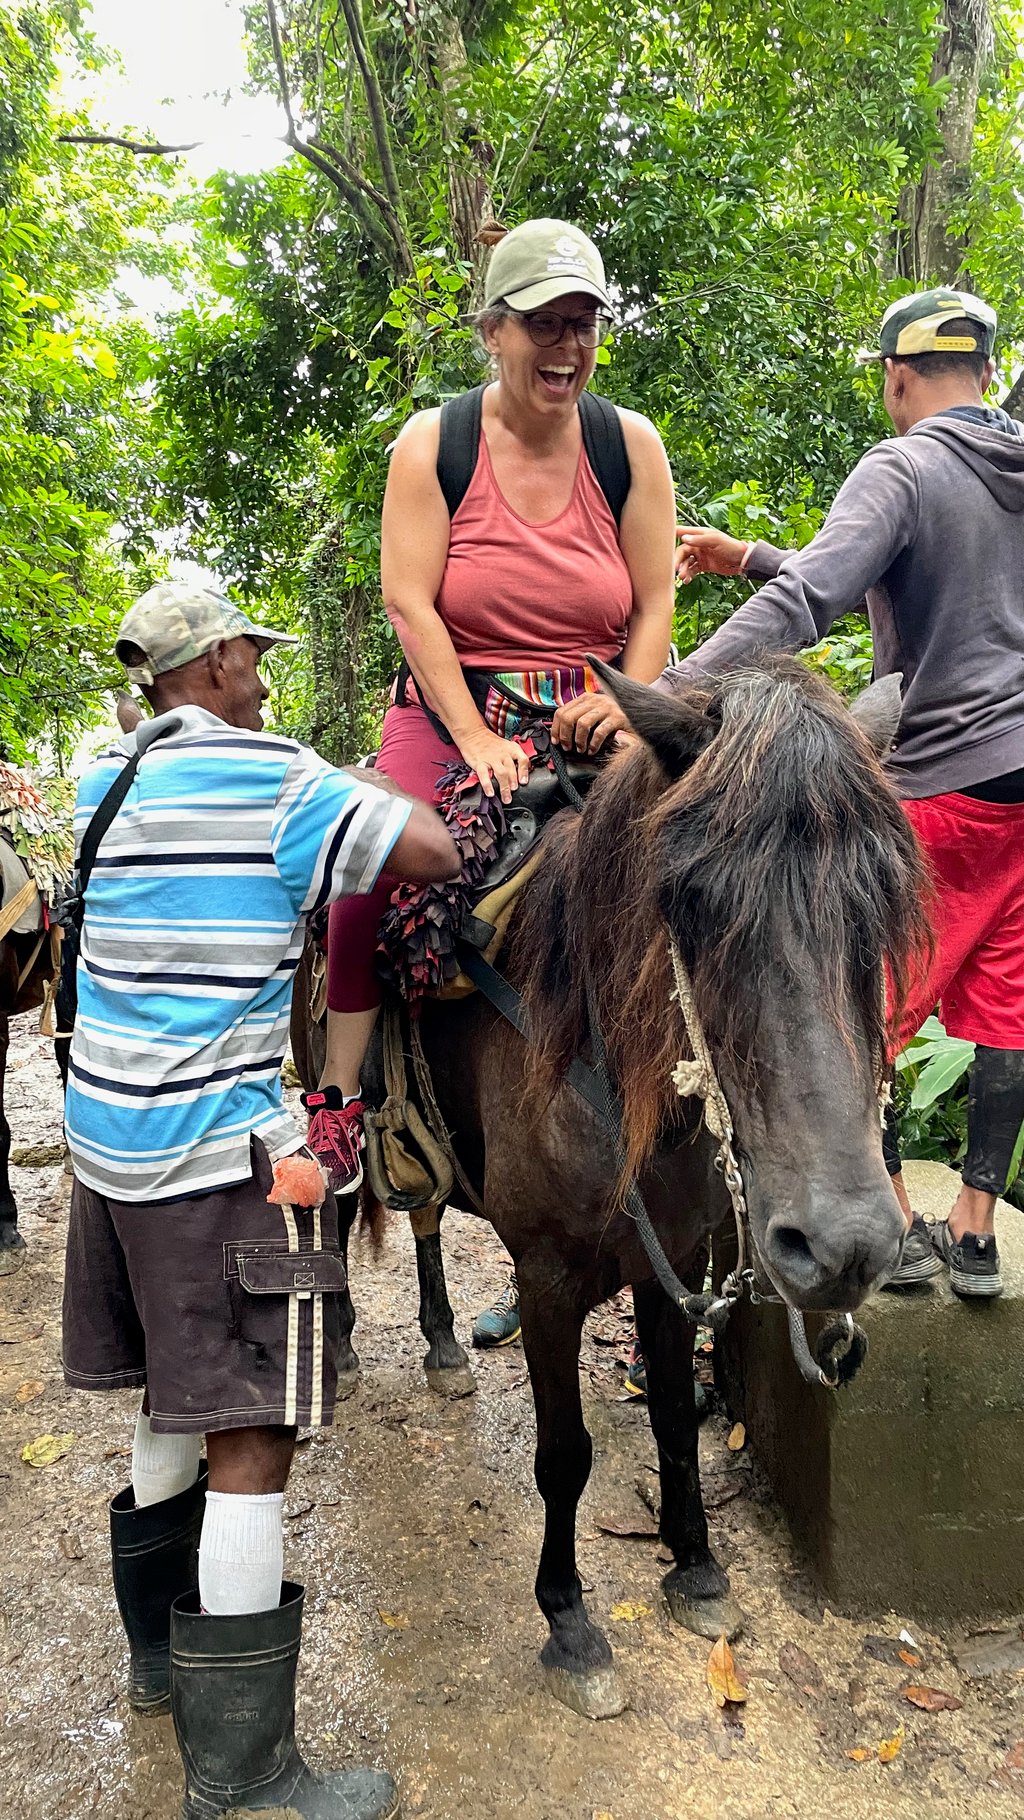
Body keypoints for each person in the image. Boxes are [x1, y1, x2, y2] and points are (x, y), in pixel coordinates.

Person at [61, 582, 459, 1820]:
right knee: (249, 1433)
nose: (267, 676)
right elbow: (433, 853)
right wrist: (362, 780)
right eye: (256, 656)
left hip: (106, 1147)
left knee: (172, 1398)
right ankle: (246, 1778)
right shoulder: (280, 780)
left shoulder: (100, 782)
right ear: (220, 657)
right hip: (215, 1158)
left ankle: (154, 1667)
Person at [306, 217, 676, 1358]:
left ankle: (713, 1122)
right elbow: (413, 602)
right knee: (365, 875)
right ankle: (345, 1101)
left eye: (585, 324)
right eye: (546, 324)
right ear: (495, 328)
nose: (568, 347)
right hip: (452, 714)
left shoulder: (629, 446)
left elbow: (655, 604)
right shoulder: (436, 444)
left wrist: (625, 702)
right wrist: (470, 737)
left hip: (592, 716)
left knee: (710, 865)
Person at [647, 287, 1024, 1299]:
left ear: (897, 377)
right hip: (1021, 795)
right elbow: (907, 578)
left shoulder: (903, 463)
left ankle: (893, 1223)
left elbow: (814, 597)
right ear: (983, 372)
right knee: (1003, 1009)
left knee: (867, 996)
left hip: (939, 776)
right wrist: (749, 555)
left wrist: (675, 695)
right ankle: (977, 1234)